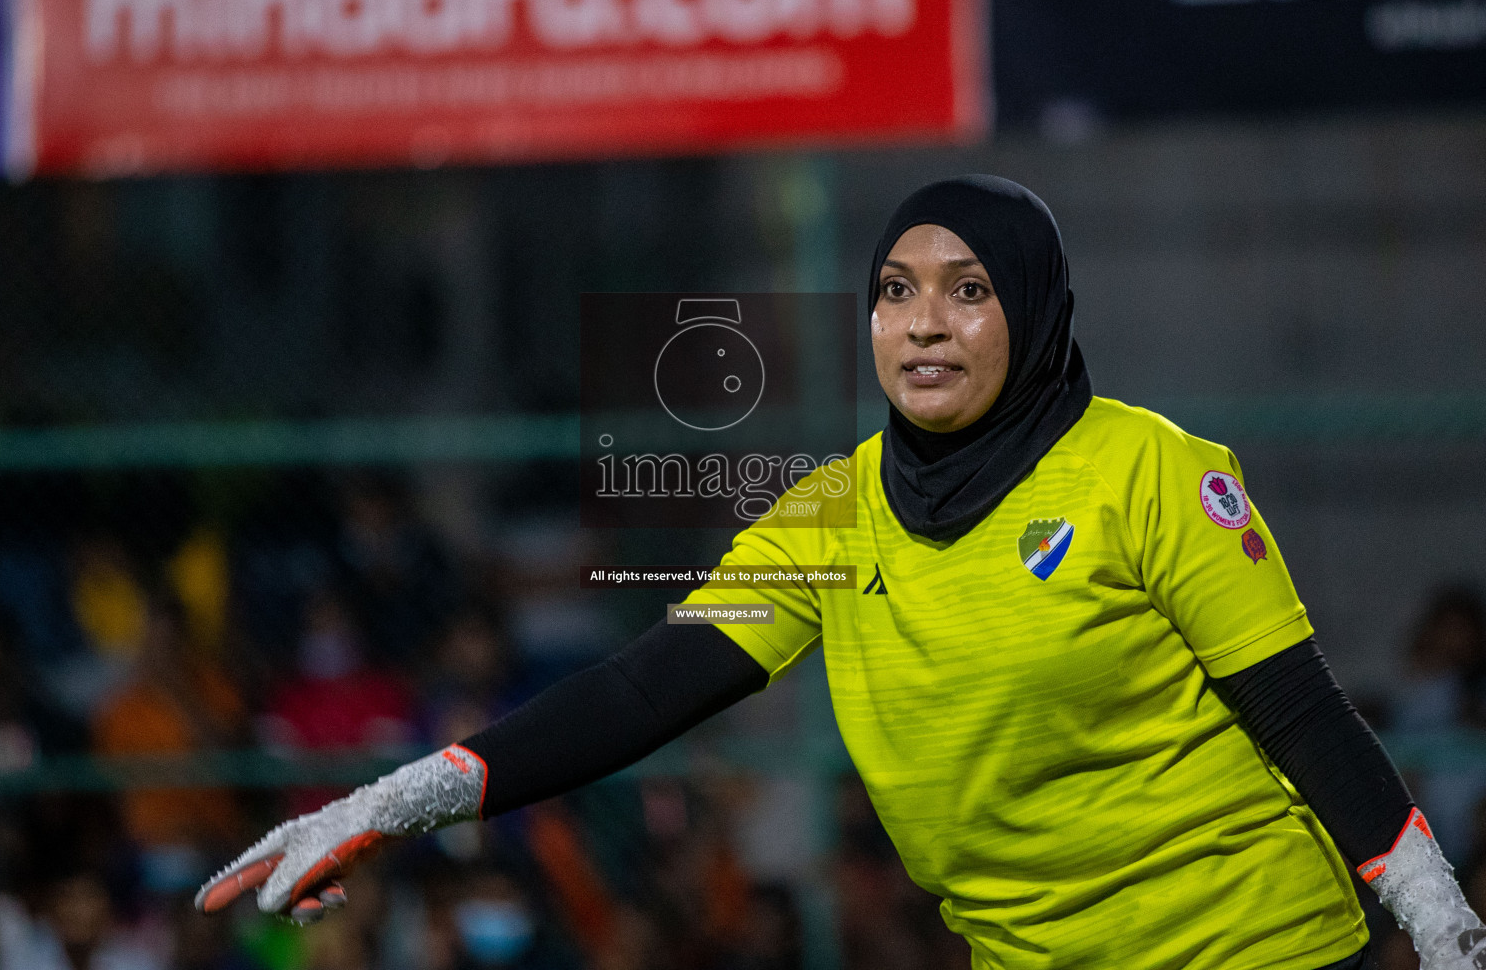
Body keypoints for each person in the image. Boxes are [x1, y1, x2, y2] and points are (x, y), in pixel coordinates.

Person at [197, 177, 1485, 968]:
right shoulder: (833, 514)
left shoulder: (1148, 470)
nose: (924, 321)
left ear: (1033, 312)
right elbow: (649, 689)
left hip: (1249, 950)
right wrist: (388, 804)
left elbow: (1302, 713)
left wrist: (1438, 919)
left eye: (969, 291)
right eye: (895, 289)